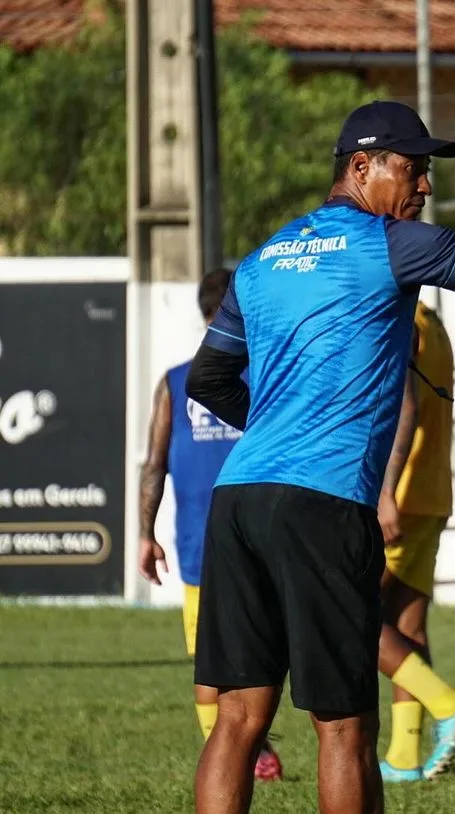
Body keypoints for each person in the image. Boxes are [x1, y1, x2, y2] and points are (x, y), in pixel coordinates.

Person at [185, 100, 455, 814]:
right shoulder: (390, 244)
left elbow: (207, 379)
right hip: (324, 501)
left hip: (240, 498)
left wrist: (281, 425)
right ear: (362, 167)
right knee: (344, 725)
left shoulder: (259, 261)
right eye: (415, 168)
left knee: (240, 718)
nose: (425, 187)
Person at [136, 269, 282, 782]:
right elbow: (155, 462)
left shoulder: (178, 382)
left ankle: (241, 752)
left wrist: (144, 532)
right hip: (263, 536)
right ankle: (248, 751)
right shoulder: (267, 372)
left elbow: (154, 464)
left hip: (206, 544)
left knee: (211, 660)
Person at [377, 300, 455, 783]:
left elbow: (404, 404)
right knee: (406, 623)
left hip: (400, 496)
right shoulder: (433, 323)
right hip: (430, 492)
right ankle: (406, 755)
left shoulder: (403, 321)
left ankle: (447, 704)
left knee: (345, 614)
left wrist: (384, 492)